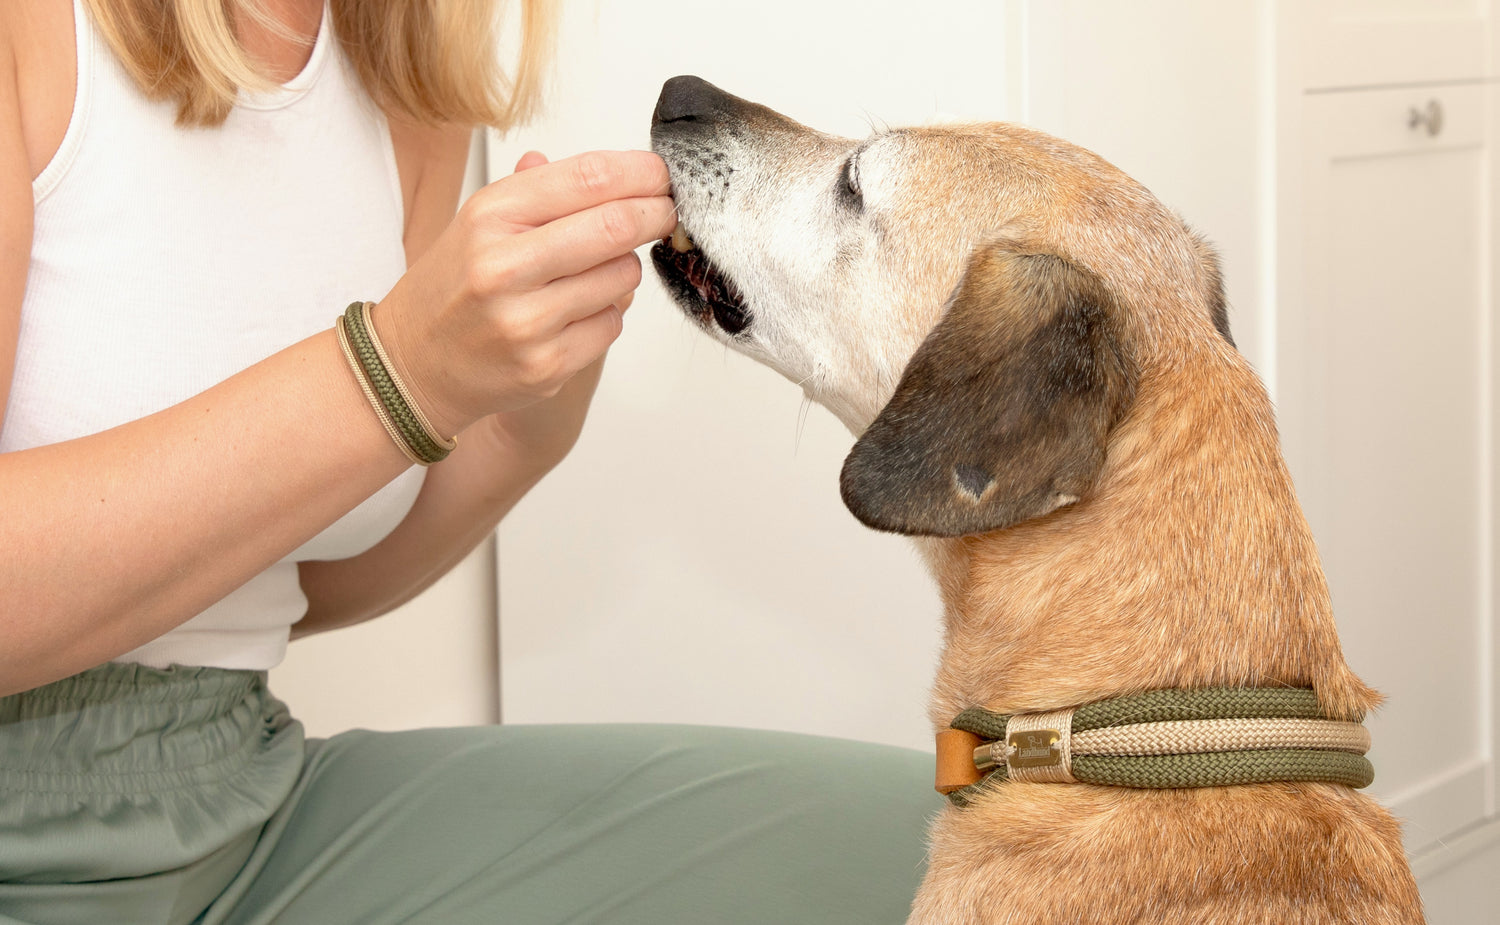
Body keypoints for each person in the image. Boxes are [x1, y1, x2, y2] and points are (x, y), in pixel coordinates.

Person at [0, 0, 937, 922]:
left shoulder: (395, 58)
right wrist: (397, 372)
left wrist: (514, 429)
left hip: (243, 803)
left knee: (962, 847)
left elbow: (275, 577)